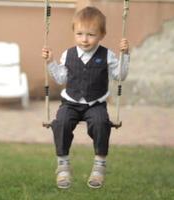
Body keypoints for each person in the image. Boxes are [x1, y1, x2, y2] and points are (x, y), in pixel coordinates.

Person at [42, 6, 130, 189]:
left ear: (101, 35)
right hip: (71, 103)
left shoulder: (107, 55)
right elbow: (60, 78)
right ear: (74, 33)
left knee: (101, 123)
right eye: (80, 34)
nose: (84, 39)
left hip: (95, 104)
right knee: (61, 123)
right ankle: (63, 164)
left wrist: (125, 55)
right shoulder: (68, 54)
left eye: (90, 34)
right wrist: (51, 62)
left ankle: (99, 165)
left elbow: (119, 76)